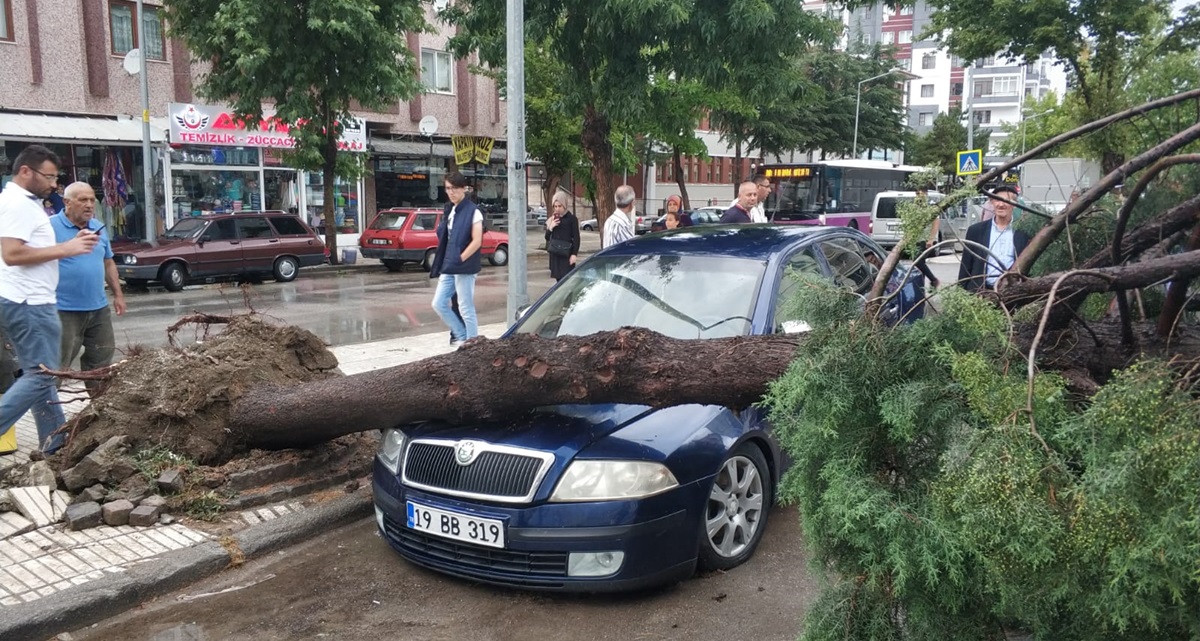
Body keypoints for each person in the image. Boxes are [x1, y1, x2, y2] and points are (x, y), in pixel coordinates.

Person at [0, 145, 99, 455]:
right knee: (42, 376)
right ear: (25, 171)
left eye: (56, 177)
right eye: (49, 176)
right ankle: (55, 445)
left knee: (42, 375)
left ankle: (55, 448)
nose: (54, 184)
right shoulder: (16, 204)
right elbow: (12, 254)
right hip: (29, 304)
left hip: (30, 301)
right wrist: (67, 249)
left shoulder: (25, 203)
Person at [51, 182, 126, 392]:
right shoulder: (49, 227)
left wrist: (118, 294)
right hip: (63, 310)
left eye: (92, 200)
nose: (90, 205)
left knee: (101, 362)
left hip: (98, 309)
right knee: (57, 367)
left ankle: (99, 412)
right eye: (83, 200)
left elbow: (108, 261)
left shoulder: (97, 227)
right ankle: (49, 415)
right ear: (66, 202)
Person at [430, 171, 482, 346]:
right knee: (438, 303)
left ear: (463, 189)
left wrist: (461, 258)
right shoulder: (450, 210)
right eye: (447, 189)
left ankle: (473, 343)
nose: (451, 192)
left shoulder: (473, 211)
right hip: (450, 264)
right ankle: (461, 335)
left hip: (463, 266)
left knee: (465, 306)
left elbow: (477, 241)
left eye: (454, 188)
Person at [957, 184, 1031, 292]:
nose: (1001, 204)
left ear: (1015, 204)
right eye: (997, 200)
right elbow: (966, 265)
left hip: (1012, 292)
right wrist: (961, 293)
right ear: (992, 202)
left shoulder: (1023, 232)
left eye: (1006, 201)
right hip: (980, 292)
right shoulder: (976, 231)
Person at [544, 191, 580, 281]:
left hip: (566, 255)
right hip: (555, 255)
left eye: (559, 206)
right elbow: (547, 237)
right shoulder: (552, 219)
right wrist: (551, 227)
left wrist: (574, 254)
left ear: (564, 205)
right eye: (555, 206)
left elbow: (576, 238)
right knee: (558, 282)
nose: (557, 209)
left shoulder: (572, 219)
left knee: (567, 282)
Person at [912, 187, 940, 289]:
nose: (918, 196)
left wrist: (931, 239)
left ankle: (933, 280)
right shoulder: (915, 206)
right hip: (916, 240)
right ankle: (921, 288)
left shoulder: (931, 206)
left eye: (920, 194)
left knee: (918, 261)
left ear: (926, 194)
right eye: (917, 194)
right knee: (920, 264)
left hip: (926, 240)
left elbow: (936, 222)